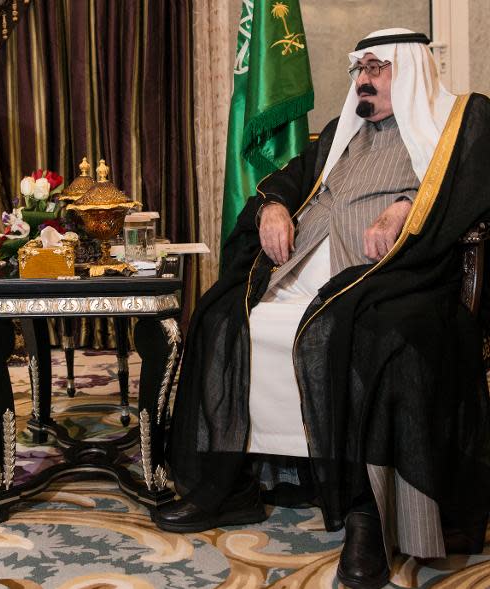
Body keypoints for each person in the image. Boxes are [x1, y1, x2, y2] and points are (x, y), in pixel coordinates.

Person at [157, 28, 490, 589]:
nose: (362, 80)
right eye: (358, 68)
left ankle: (366, 514)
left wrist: (405, 210)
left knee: (373, 338)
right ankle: (230, 484)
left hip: (392, 274)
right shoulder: (343, 130)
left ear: (408, 72)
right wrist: (274, 207)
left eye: (376, 69)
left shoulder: (461, 123)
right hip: (300, 270)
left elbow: (471, 189)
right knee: (219, 316)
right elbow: (290, 177)